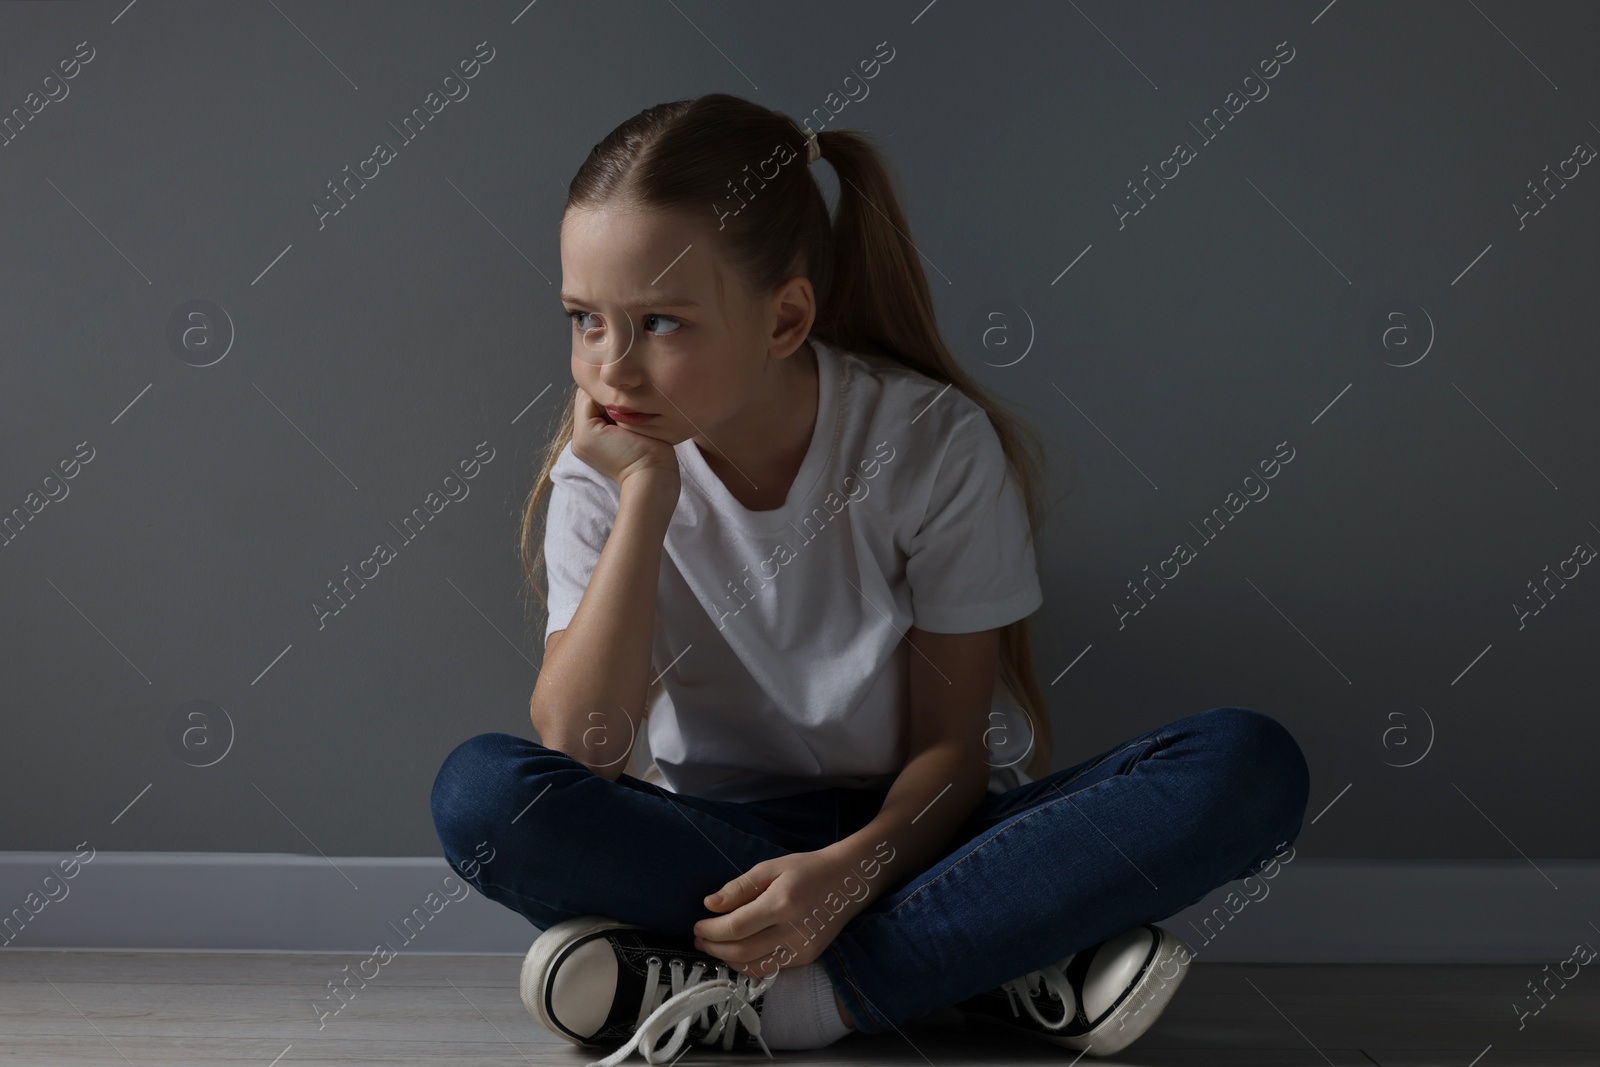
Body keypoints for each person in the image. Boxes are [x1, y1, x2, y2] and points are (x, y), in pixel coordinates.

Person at [431, 92, 1310, 1066]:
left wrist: (850, 878)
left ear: (785, 316)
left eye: (660, 323)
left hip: (930, 829)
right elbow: (582, 746)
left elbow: (951, 749)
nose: (610, 369)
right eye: (583, 319)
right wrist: (645, 498)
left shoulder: (930, 444)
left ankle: (792, 997)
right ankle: (991, 956)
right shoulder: (605, 469)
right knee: (480, 793)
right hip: (723, 846)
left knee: (1245, 764)